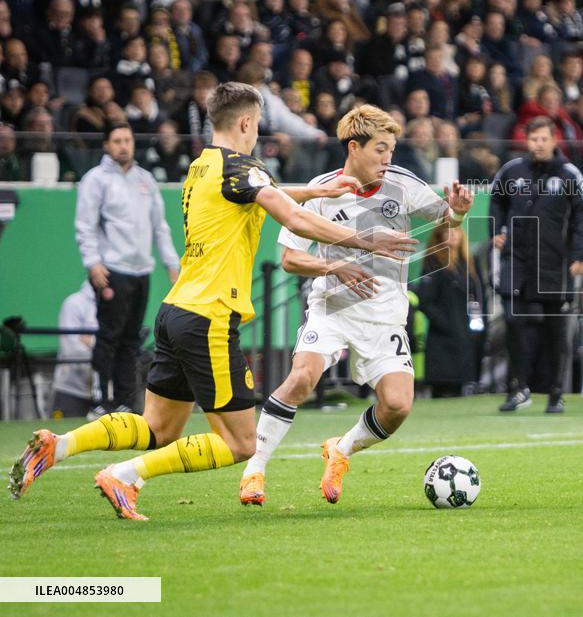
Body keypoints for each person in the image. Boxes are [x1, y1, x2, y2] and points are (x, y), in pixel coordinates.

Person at [9, 83, 416, 520]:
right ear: (246, 123)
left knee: (158, 427)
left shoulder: (203, 165)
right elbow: (292, 217)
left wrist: (318, 192)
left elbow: (265, 193)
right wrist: (365, 240)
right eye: (257, 125)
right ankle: (125, 475)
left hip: (176, 310)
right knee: (240, 443)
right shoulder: (242, 167)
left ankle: (59, 445)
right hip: (210, 318)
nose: (257, 133)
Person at [238, 105, 472, 506]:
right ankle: (254, 470)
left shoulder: (403, 184)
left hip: (385, 316)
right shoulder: (322, 190)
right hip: (333, 308)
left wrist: (459, 213)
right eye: (380, 149)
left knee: (398, 406)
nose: (388, 158)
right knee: (302, 378)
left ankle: (340, 450)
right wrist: (334, 266)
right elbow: (290, 259)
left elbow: (445, 220)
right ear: (354, 147)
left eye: (392, 150)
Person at [74, 123, 181, 417]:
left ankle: (123, 401)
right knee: (109, 336)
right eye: (117, 141)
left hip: (141, 271)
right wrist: (93, 263)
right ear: (106, 145)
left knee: (132, 338)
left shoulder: (145, 180)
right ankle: (100, 401)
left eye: (128, 140)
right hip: (111, 270)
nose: (123, 146)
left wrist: (172, 264)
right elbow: (85, 225)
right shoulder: (95, 180)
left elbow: (160, 227)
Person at [491, 117, 583, 414]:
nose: (538, 144)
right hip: (516, 258)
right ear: (527, 140)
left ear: (554, 140)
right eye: (533, 139)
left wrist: (580, 255)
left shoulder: (569, 174)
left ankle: (556, 392)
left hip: (553, 262)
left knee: (555, 329)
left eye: (543, 139)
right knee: (512, 319)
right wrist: (496, 230)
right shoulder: (512, 170)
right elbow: (496, 201)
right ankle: (519, 388)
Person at [416, 222, 485, 398]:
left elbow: (479, 296)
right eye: (446, 232)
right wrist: (447, 324)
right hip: (443, 341)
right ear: (439, 237)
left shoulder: (470, 263)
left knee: (464, 390)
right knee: (444, 391)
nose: (452, 234)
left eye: (455, 230)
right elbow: (425, 300)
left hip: (468, 338)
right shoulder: (433, 262)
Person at [49, 281, 98, 419]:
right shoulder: (74, 303)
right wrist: (103, 351)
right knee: (62, 432)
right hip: (70, 391)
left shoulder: (115, 305)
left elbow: (118, 347)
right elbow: (72, 350)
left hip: (104, 393)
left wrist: (92, 342)